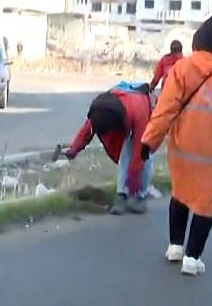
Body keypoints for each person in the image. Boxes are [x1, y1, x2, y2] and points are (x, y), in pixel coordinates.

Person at [141, 12, 212, 277]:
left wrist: (149, 141)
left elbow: (165, 109)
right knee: (206, 201)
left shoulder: (184, 67)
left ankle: (175, 247)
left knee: (181, 192)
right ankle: (192, 258)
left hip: (184, 145)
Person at [63, 83, 155, 215]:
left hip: (147, 111)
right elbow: (87, 130)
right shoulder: (101, 111)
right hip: (124, 101)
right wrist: (74, 149)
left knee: (146, 157)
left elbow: (140, 150)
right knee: (125, 155)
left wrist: (134, 176)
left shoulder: (139, 112)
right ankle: (122, 195)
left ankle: (140, 196)